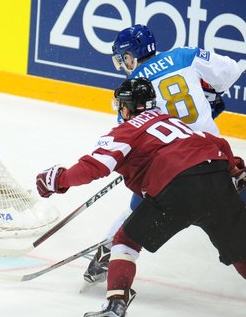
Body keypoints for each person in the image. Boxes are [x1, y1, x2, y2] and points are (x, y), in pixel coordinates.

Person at [36, 77, 246, 317]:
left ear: (127, 107)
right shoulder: (174, 121)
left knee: (125, 240)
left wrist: (58, 180)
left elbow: (93, 167)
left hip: (178, 187)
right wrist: (235, 168)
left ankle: (115, 306)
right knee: (241, 251)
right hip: (217, 177)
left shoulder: (127, 130)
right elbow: (215, 142)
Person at [82, 24, 245, 285]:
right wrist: (206, 99)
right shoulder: (183, 55)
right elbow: (229, 73)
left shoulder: (134, 87)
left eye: (122, 58)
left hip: (172, 161)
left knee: (141, 208)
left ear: (129, 56)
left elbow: (131, 134)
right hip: (213, 154)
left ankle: (108, 253)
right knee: (235, 202)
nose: (123, 64)